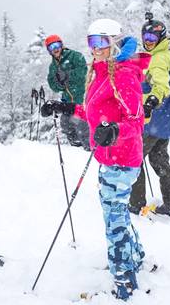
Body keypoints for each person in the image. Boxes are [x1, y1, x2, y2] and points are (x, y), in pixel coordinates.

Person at [41, 19, 151, 300]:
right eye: (91, 42)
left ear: (114, 42)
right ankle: (135, 255)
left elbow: (136, 122)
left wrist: (114, 131)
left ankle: (124, 282)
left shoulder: (124, 74)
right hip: (108, 157)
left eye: (101, 42)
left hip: (122, 159)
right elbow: (93, 110)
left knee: (113, 220)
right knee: (116, 213)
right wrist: (64, 106)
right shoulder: (101, 72)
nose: (95, 48)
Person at [129, 13, 170, 216]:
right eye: (146, 39)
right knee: (159, 160)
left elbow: (161, 85)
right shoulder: (164, 55)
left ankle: (136, 203)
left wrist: (152, 101)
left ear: (161, 38)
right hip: (164, 121)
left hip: (154, 119)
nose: (148, 43)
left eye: (152, 39)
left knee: (134, 159)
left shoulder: (158, 58)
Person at [45, 34, 90, 150]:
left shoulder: (75, 56)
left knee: (82, 125)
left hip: (81, 97)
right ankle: (76, 148)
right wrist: (59, 83)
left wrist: (68, 75)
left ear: (61, 45)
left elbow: (83, 71)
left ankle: (89, 148)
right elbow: (53, 84)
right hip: (68, 101)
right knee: (65, 124)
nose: (55, 49)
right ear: (49, 50)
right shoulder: (53, 66)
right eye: (51, 47)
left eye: (57, 45)